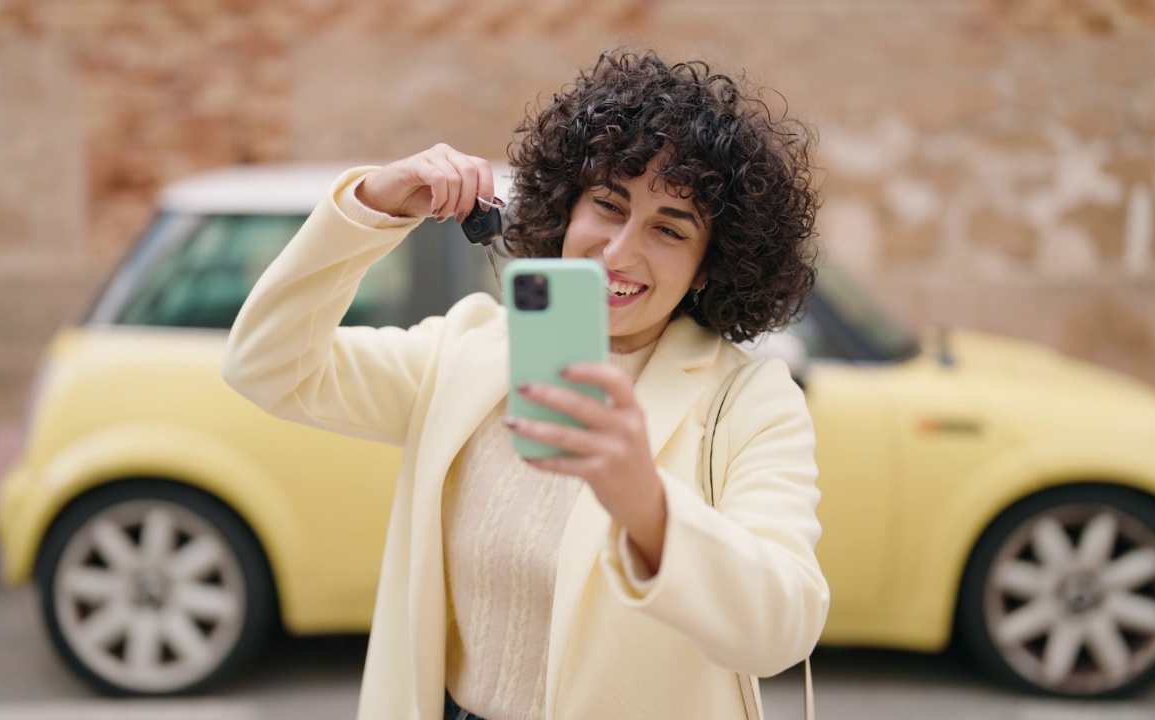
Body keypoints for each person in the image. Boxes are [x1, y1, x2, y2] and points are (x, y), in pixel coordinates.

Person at [223, 49, 827, 720]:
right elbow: (268, 365)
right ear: (568, 209)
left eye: (668, 229)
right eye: (608, 204)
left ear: (710, 267)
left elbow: (783, 628)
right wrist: (373, 205)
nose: (621, 250)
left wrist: (648, 508)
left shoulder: (749, 403)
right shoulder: (468, 351)